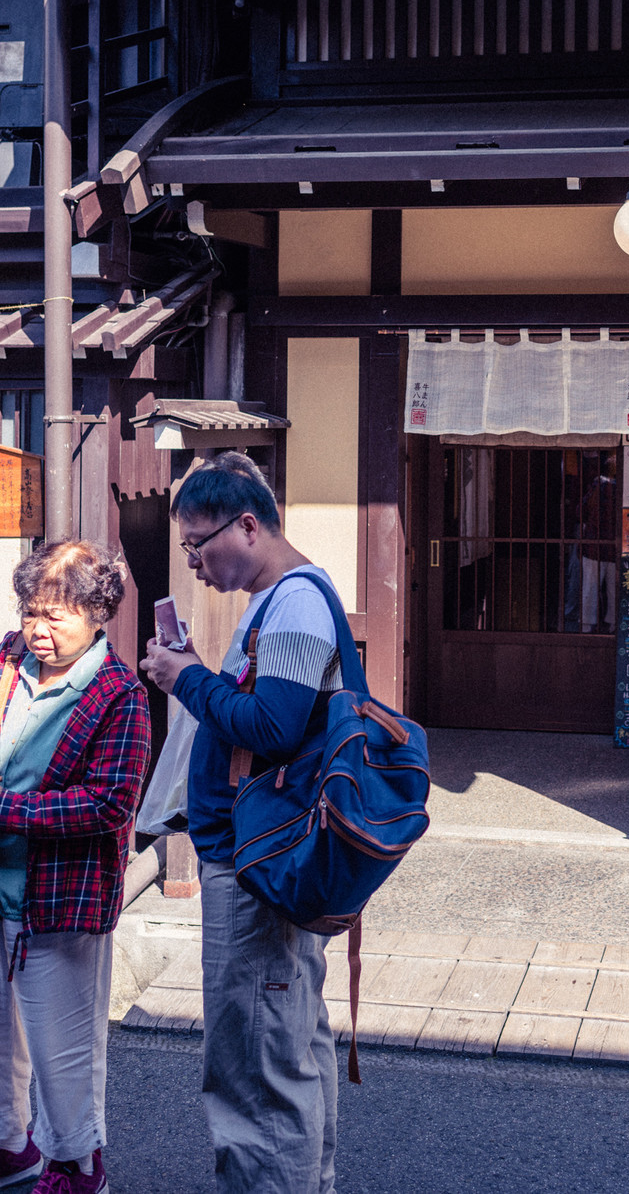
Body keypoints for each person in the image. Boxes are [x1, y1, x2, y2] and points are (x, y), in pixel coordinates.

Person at [141, 452, 343, 1194]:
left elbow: (277, 726)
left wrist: (185, 678)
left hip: (259, 859)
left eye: (200, 543)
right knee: (293, 1046)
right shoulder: (282, 600)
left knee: (256, 1066)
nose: (193, 560)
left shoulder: (293, 602)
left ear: (249, 523)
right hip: (273, 852)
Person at [0, 540, 150, 1194]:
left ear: (97, 614)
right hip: (3, 889)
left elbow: (111, 801)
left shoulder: (120, 693)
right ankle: (10, 1148)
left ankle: (76, 1166)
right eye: (32, 610)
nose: (38, 627)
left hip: (64, 898)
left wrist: (10, 810)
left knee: (64, 1054)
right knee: (1, 1041)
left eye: (55, 615)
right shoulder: (9, 664)